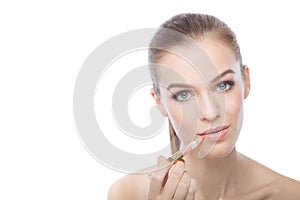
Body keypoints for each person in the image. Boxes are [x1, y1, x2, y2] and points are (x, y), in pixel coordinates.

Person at [108, 13, 300, 200]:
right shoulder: (127, 194)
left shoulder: (291, 194)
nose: (210, 112)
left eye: (223, 85)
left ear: (246, 81)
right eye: (184, 95)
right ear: (160, 103)